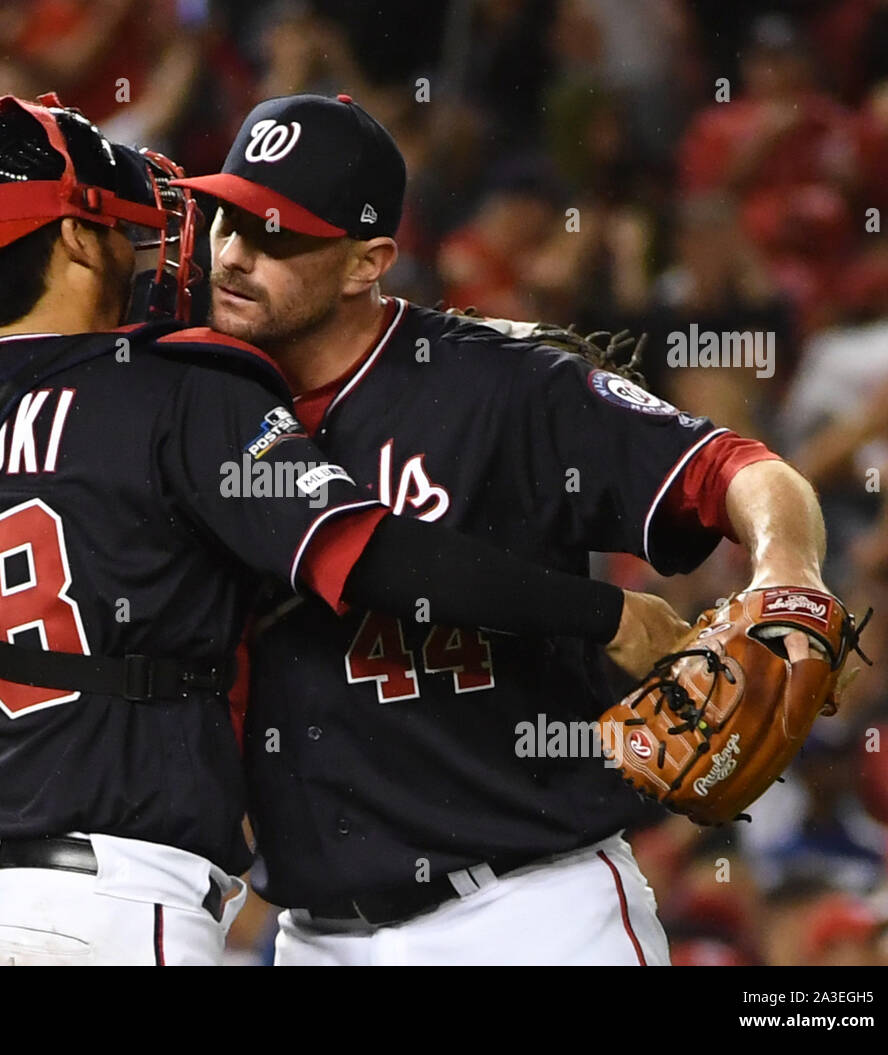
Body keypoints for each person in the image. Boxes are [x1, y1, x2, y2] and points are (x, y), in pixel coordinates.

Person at [0, 93, 685, 966]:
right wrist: (599, 612)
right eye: (114, 219)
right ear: (75, 237)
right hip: (110, 905)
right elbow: (372, 555)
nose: (151, 238)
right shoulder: (178, 390)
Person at [167, 92, 835, 965]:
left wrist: (789, 568)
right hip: (312, 933)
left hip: (527, 911)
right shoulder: (194, 408)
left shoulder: (500, 383)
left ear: (368, 262)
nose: (236, 255)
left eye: (279, 235)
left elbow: (736, 468)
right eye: (229, 219)